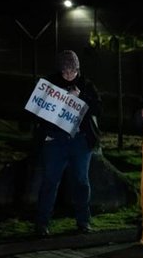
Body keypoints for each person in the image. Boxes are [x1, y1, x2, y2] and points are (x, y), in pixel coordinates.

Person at [34, 50, 102, 236]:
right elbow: (36, 109)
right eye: (66, 72)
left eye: (73, 72)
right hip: (54, 141)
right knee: (50, 181)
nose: (70, 75)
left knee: (81, 181)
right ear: (60, 70)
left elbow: (98, 107)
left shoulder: (86, 85)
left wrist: (81, 99)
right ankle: (42, 224)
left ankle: (83, 222)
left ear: (78, 69)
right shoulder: (48, 84)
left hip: (79, 141)